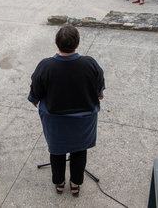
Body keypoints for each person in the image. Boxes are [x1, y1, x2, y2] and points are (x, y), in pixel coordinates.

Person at [28, 25, 105, 197]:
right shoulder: (90, 63)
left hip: (56, 123)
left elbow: (34, 97)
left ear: (57, 43)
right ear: (77, 43)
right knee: (79, 151)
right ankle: (75, 183)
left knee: (57, 151)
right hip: (83, 123)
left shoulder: (45, 66)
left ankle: (59, 183)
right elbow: (100, 94)